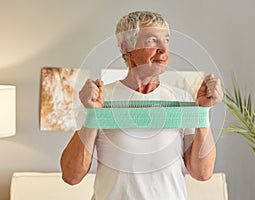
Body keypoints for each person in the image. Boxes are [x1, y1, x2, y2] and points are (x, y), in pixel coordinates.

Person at [60, 11, 223, 200]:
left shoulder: (181, 99)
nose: (164, 49)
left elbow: (202, 173)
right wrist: (93, 115)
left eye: (167, 40)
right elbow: (71, 176)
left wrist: (203, 111)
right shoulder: (98, 100)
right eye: (152, 41)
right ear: (126, 48)